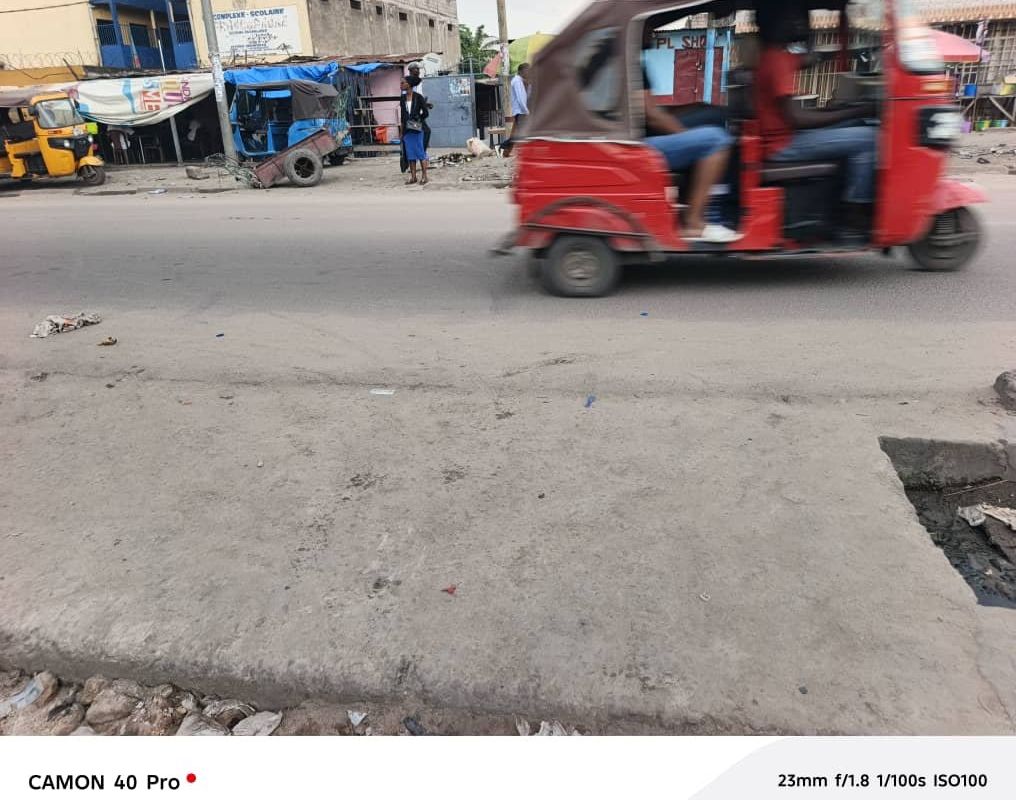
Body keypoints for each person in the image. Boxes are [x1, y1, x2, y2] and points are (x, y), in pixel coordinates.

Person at [754, 2, 878, 233]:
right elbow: (798, 118)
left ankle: (845, 199)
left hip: (783, 137)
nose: (800, 22)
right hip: (782, 145)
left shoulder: (776, 56)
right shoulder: (777, 61)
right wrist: (856, 110)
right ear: (775, 23)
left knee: (854, 124)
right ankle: (856, 210)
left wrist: (839, 110)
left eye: (802, 17)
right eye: (794, 18)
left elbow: (810, 58)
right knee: (870, 137)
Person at [641, 37, 741, 243]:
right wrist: (687, 137)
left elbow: (652, 111)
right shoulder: (629, 62)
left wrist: (696, 107)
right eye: (648, 29)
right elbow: (652, 116)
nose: (650, 33)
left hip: (638, 133)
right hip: (637, 144)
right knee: (716, 139)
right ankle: (694, 221)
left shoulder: (626, 59)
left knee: (715, 114)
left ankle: (721, 202)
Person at [400, 75, 429, 185]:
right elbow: (402, 116)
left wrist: (418, 120)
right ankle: (413, 177)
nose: (401, 85)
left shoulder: (418, 97)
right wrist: (401, 132)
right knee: (410, 154)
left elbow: (425, 113)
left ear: (409, 84)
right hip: (407, 131)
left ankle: (424, 176)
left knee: (420, 153)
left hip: (417, 129)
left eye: (402, 83)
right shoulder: (402, 98)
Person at [407, 63, 433, 150]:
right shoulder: (409, 82)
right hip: (413, 115)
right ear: (411, 70)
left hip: (418, 114)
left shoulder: (418, 83)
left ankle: (419, 152)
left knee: (420, 132)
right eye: (417, 69)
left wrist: (425, 104)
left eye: (419, 69)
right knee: (425, 132)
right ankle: (421, 152)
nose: (418, 71)